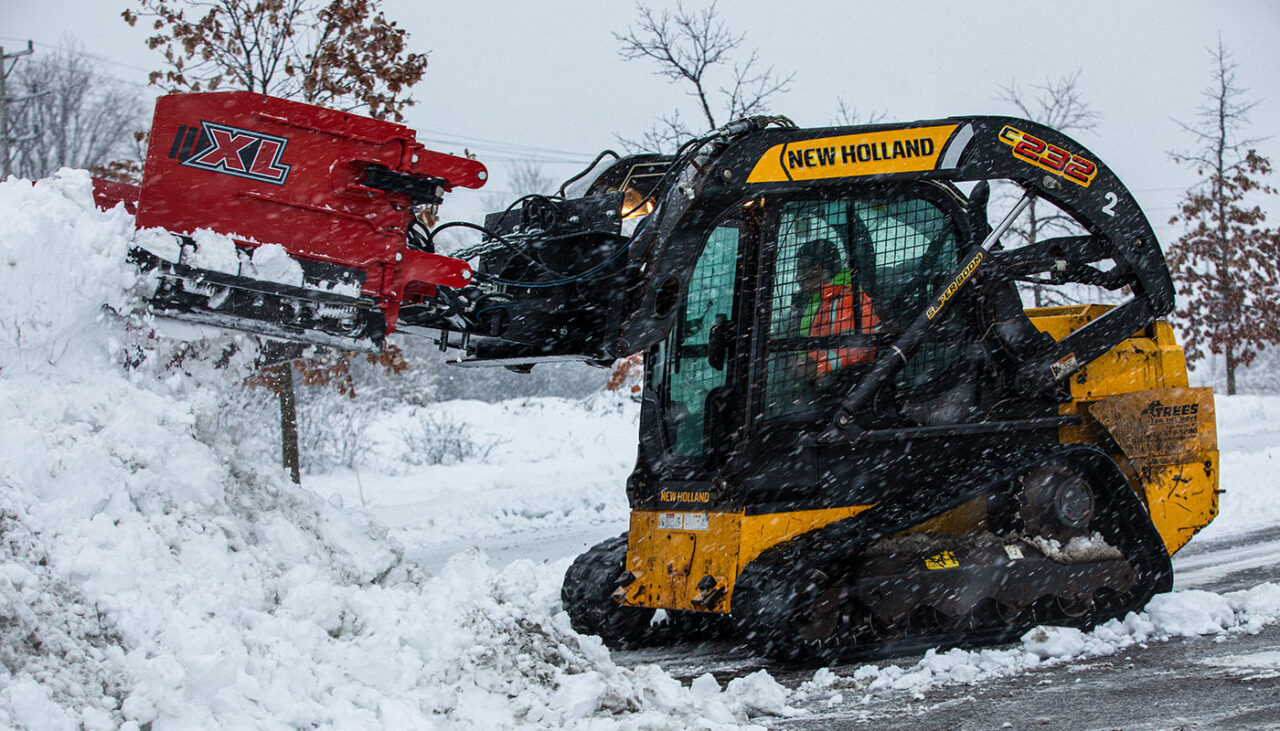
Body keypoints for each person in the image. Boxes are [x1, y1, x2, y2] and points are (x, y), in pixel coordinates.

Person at [790, 238, 879, 381]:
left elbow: (860, 350)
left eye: (803, 270)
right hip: (813, 386)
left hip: (842, 388)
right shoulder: (816, 301)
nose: (798, 277)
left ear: (821, 271)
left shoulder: (850, 300)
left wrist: (815, 366)